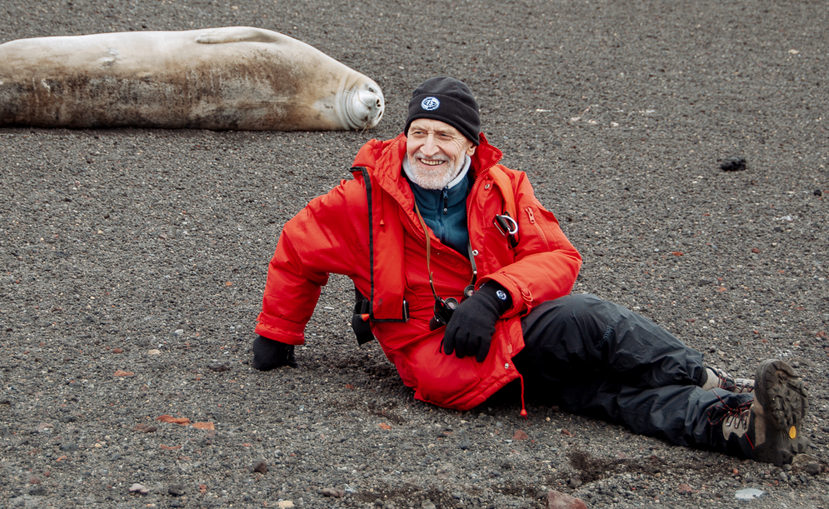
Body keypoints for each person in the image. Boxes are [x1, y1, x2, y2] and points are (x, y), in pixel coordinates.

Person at [252, 77, 809, 465]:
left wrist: (493, 295)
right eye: (417, 134)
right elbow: (297, 253)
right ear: (404, 137)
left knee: (600, 393)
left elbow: (558, 258)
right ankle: (711, 380)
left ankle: (738, 426)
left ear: (470, 143)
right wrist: (276, 337)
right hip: (443, 359)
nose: (427, 148)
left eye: (443, 135)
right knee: (587, 322)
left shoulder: (505, 188)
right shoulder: (363, 198)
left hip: (502, 334)